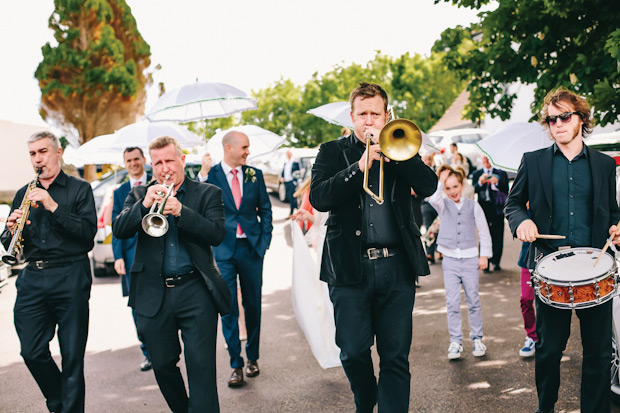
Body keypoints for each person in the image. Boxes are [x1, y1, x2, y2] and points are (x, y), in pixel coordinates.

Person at [309, 82, 438, 412]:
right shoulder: (332, 152)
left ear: (386, 115)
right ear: (352, 116)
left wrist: (399, 156)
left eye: (375, 114)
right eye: (362, 114)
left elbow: (428, 185)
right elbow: (319, 198)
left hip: (397, 266)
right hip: (349, 268)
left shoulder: (401, 148)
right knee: (352, 351)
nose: (369, 120)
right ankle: (366, 402)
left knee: (396, 355)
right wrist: (359, 167)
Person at [505, 88, 620, 413]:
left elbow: (612, 212)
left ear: (581, 118)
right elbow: (513, 204)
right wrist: (522, 222)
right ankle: (546, 407)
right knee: (549, 350)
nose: (557, 123)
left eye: (564, 116)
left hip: (596, 269)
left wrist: (617, 227)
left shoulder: (603, 164)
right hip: (550, 270)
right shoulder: (534, 161)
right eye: (551, 119)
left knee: (598, 351)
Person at [112, 136, 230, 412]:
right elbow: (119, 229)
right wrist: (143, 207)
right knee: (163, 365)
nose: (165, 168)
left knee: (201, 369)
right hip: (153, 294)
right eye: (159, 163)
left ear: (182, 160)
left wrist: (181, 210)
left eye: (170, 160)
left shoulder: (207, 193)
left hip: (195, 290)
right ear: (151, 165)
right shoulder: (139, 195)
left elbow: (216, 234)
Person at [1, 131, 97, 413]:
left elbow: (87, 235)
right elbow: (12, 246)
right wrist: (9, 231)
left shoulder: (79, 189)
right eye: (32, 154)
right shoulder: (23, 193)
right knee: (30, 351)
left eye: (43, 152)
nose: (37, 159)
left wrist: (52, 206)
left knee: (72, 357)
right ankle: (58, 402)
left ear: (58, 153)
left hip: (71, 275)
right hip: (32, 278)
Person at [198, 131, 273, 388]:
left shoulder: (255, 175)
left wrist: (264, 243)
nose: (248, 151)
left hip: (252, 250)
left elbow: (266, 210)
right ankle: (235, 364)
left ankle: (252, 357)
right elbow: (198, 205)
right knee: (228, 307)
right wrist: (202, 175)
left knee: (253, 306)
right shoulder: (211, 176)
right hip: (223, 251)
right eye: (244, 147)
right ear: (228, 148)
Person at [428, 167, 492, 360]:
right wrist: (441, 181)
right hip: (450, 260)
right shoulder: (443, 204)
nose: (453, 191)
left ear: (462, 186)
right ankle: (455, 341)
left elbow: (483, 231)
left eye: (455, 186)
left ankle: (477, 338)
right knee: (452, 302)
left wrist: (484, 255)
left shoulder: (473, 206)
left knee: (473, 299)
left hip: (470, 258)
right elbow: (433, 199)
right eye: (448, 188)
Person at [111, 147, 152, 371]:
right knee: (136, 307)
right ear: (124, 163)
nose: (133, 163)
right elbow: (115, 226)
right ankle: (147, 352)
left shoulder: (155, 184)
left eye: (137, 158)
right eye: (129, 160)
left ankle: (163, 346)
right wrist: (117, 256)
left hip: (154, 253)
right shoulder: (119, 192)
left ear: (144, 160)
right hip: (129, 256)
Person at [472, 154, 509, 272]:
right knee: (484, 234)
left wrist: (497, 182)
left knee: (498, 234)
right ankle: (485, 261)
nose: (486, 161)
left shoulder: (501, 173)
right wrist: (480, 182)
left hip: (497, 207)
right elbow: (474, 189)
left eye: (488, 158)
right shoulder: (477, 174)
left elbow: (506, 189)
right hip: (484, 207)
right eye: (484, 159)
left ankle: (496, 261)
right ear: (481, 160)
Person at [280, 149, 300, 216]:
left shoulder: (295, 163)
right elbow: (283, 172)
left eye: (289, 153)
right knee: (289, 197)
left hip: (292, 182)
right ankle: (296, 210)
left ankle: (292, 212)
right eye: (287, 154)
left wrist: (295, 182)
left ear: (291, 154)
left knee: (292, 197)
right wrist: (282, 177)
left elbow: (298, 173)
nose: (288, 155)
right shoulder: (285, 163)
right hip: (286, 182)